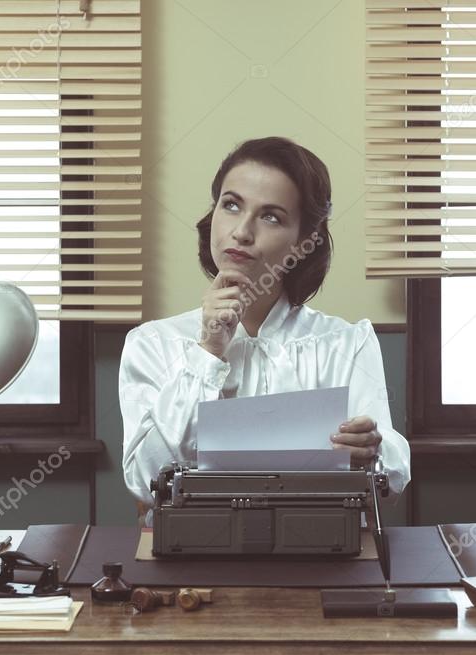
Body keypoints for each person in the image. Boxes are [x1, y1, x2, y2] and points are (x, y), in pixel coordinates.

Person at [119, 137, 410, 513]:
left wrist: (369, 453)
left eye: (270, 216)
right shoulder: (153, 343)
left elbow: (391, 485)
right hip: (192, 563)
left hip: (321, 560)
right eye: (231, 205)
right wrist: (207, 352)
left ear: (303, 241)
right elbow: (145, 482)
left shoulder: (347, 343)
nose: (241, 231)